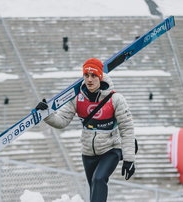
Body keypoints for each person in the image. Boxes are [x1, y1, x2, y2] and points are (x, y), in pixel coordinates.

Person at [35, 58, 136, 202]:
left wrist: (129, 159)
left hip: (111, 149)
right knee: (94, 188)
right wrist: (46, 114)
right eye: (86, 75)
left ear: (100, 76)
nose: (89, 79)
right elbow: (62, 121)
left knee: (99, 179)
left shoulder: (116, 99)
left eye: (93, 75)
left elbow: (127, 129)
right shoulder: (77, 98)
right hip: (88, 152)